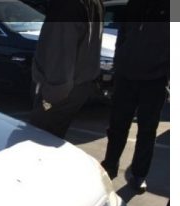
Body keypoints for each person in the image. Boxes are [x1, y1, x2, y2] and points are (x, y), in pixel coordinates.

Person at [100, 0, 169, 193]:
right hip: (125, 76)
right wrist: (118, 62)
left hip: (155, 80)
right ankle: (110, 165)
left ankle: (139, 175)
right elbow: (123, 34)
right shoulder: (135, 4)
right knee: (117, 126)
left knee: (147, 131)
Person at [29, 0, 103, 138]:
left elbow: (60, 52)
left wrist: (50, 96)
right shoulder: (93, 3)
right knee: (51, 140)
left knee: (38, 143)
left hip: (59, 89)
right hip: (77, 85)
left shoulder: (66, 6)